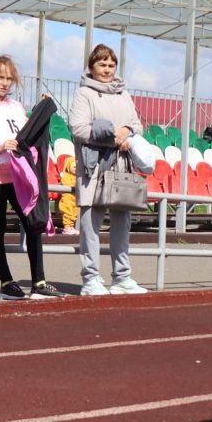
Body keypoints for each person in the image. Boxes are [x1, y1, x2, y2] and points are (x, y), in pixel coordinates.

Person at [0, 54, 58, 299]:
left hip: (19, 176)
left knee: (33, 224)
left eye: (10, 79)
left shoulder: (16, 107)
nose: (6, 83)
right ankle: (6, 282)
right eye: (1, 78)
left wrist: (42, 110)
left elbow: (28, 133)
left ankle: (38, 281)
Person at [67, 43, 145, 296]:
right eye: (102, 64)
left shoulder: (124, 94)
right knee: (91, 225)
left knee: (122, 224)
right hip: (94, 169)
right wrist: (112, 135)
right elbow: (78, 128)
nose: (107, 69)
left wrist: (128, 132)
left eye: (111, 65)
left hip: (122, 167)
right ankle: (91, 278)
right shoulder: (84, 94)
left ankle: (122, 277)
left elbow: (137, 125)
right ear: (92, 66)